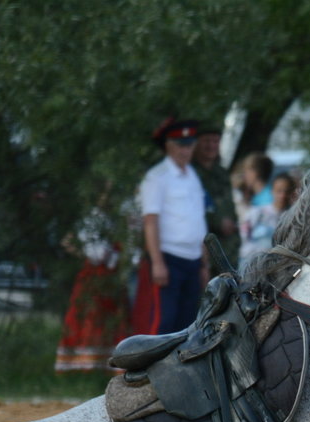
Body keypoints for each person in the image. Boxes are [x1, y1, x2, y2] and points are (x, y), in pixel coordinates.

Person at [138, 118, 210, 334]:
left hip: (192, 259)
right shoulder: (157, 177)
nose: (185, 150)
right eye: (180, 145)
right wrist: (157, 262)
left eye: (189, 145)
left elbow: (199, 221)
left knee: (188, 324)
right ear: (167, 145)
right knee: (163, 322)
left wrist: (204, 263)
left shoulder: (192, 176)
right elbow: (151, 221)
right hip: (169, 258)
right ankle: (153, 368)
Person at [55, 195, 129, 372]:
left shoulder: (115, 220)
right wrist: (84, 253)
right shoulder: (93, 219)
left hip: (110, 275)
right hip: (95, 275)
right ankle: (85, 364)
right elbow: (72, 243)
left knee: (111, 316)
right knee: (90, 316)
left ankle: (108, 362)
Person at [192, 126, 240, 269]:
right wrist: (218, 222)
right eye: (206, 141)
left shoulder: (222, 173)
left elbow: (229, 205)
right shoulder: (190, 174)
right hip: (201, 244)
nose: (211, 146)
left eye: (215, 141)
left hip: (227, 247)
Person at [237, 153, 278, 264]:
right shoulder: (255, 198)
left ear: (255, 173)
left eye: (246, 171)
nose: (244, 176)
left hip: (260, 258)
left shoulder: (268, 198)